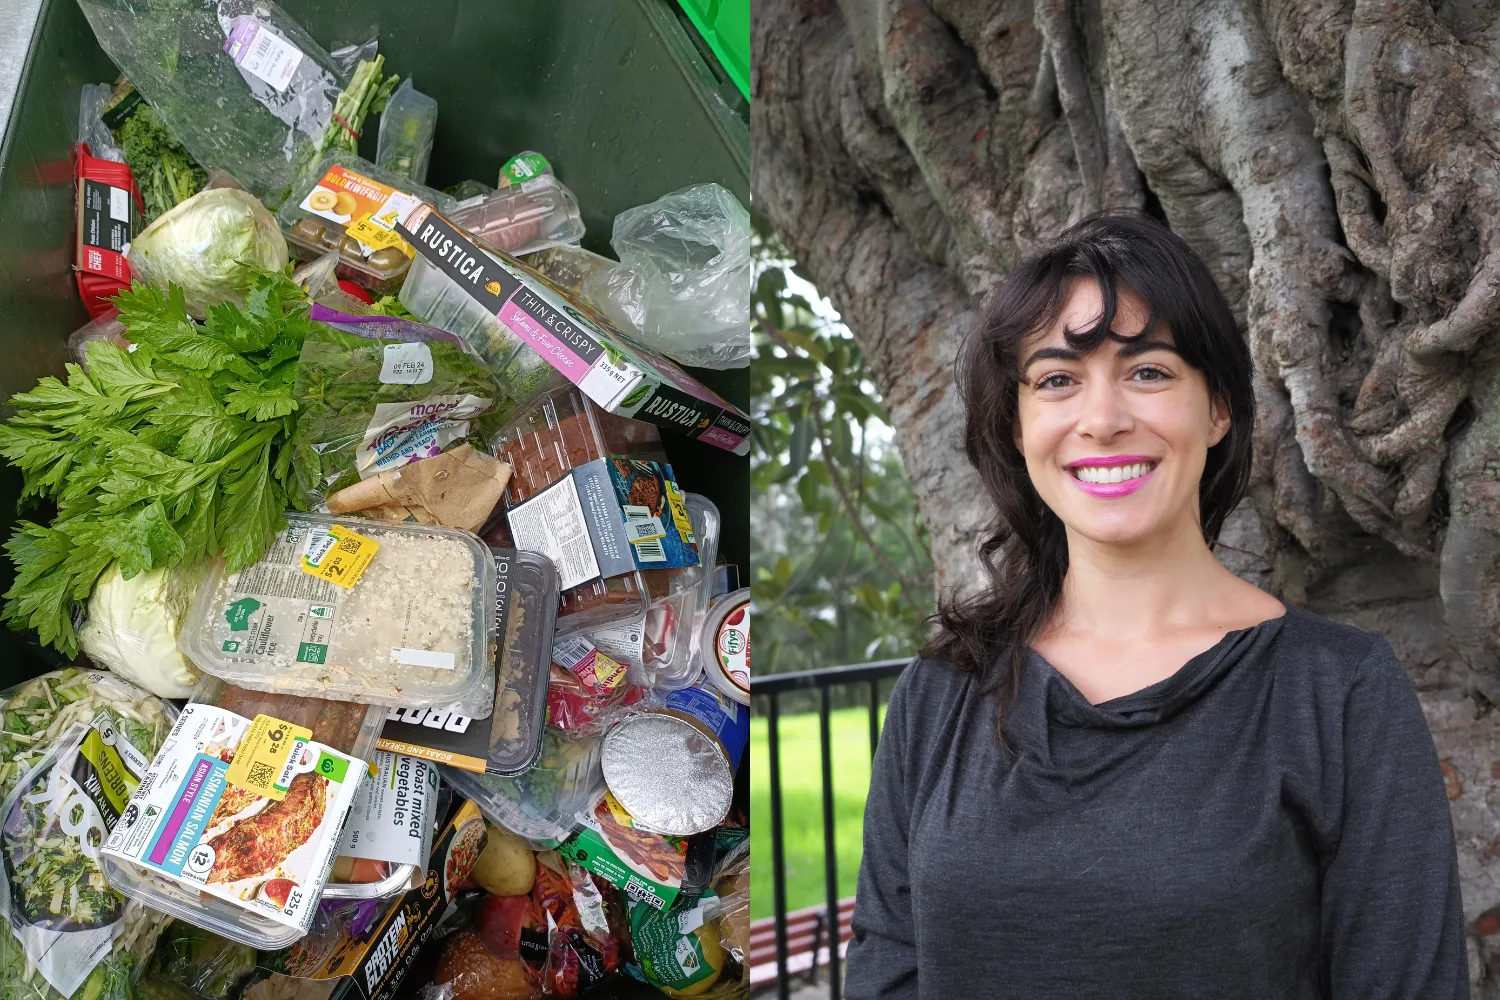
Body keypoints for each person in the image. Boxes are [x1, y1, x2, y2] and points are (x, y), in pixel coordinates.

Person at [843, 213, 1467, 999]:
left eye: (1148, 372)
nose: (1102, 419)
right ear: (1018, 422)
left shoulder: (1339, 693)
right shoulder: (943, 691)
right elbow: (886, 969)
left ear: (1218, 410)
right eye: (1058, 379)